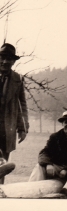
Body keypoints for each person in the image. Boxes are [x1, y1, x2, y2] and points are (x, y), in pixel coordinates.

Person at [28, 109, 67, 199]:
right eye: (66, 122)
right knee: (39, 166)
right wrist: (48, 164)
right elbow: (44, 152)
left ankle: (66, 195)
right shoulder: (55, 137)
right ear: (62, 123)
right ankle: (32, 192)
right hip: (55, 168)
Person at [0, 43, 29, 183]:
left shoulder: (17, 79)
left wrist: (22, 128)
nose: (5, 62)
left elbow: (22, 104)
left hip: (6, 130)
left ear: (13, 61)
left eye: (9, 59)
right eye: (2, 57)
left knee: (3, 166)